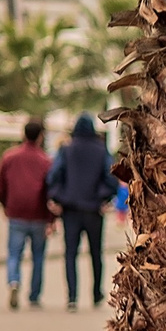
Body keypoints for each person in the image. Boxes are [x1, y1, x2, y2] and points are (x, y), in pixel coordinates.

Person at [49, 113, 119, 310]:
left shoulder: (66, 149)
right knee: (96, 253)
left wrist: (57, 197)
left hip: (70, 209)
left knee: (70, 253)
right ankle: (96, 292)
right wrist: (104, 197)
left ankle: (72, 295)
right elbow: (111, 176)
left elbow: (55, 175)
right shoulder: (101, 150)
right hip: (94, 210)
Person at [0, 119, 55, 310]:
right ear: (40, 137)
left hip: (16, 212)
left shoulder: (9, 157)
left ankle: (14, 281)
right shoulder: (46, 161)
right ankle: (34, 295)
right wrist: (51, 218)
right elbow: (50, 190)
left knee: (14, 253)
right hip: (38, 214)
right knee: (38, 256)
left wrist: (5, 205)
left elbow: (1, 185)